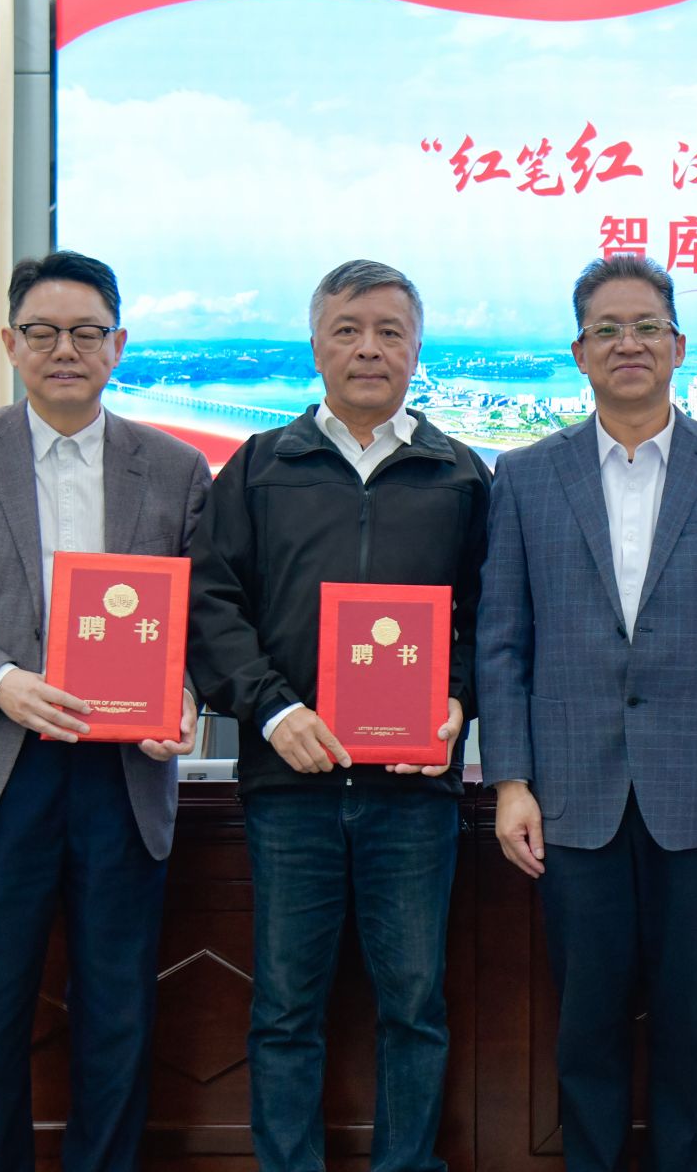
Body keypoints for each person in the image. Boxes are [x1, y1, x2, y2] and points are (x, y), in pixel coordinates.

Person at [0, 250, 212, 1171]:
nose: (66, 349)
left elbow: (204, 616)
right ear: (10, 342)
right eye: (44, 332)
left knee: (118, 1023)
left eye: (87, 332)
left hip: (123, 779)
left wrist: (184, 696)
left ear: (118, 346)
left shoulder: (176, 469)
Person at [477, 255, 697, 1172]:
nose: (629, 343)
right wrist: (510, 779)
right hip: (570, 794)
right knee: (584, 1022)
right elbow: (502, 639)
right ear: (579, 352)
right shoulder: (527, 475)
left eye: (647, 326)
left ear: (679, 345)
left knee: (689, 1020)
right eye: (608, 329)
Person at [186, 260, 489, 1172]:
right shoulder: (259, 467)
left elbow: (492, 616)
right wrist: (271, 708)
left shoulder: (459, 474)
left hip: (413, 791)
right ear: (316, 345)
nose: (369, 348)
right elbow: (210, 603)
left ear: (417, 349)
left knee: (414, 1005)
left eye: (390, 331)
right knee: (285, 1007)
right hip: (290, 784)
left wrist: (457, 700)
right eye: (348, 329)